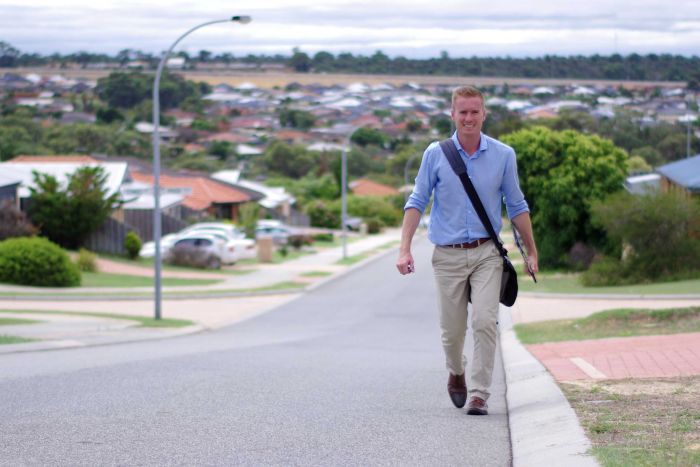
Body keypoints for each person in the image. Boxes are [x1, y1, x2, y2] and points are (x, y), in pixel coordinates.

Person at [396, 85, 538, 416]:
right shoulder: (436, 154)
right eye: (463, 112)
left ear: (484, 114)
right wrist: (405, 249)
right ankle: (456, 370)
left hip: (487, 253)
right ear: (453, 115)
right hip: (447, 255)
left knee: (487, 321)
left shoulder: (504, 155)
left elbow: (516, 205)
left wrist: (531, 250)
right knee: (452, 332)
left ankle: (479, 393)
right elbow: (417, 200)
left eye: (475, 111)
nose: (469, 118)